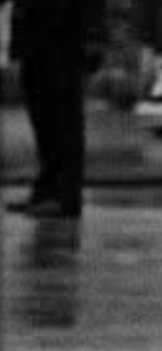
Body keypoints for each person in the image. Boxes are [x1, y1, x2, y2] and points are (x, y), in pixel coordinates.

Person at [5, 0, 105, 218]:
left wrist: (93, 36)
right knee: (43, 117)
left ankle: (63, 196)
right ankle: (47, 190)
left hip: (62, 37)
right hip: (35, 36)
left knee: (61, 119)